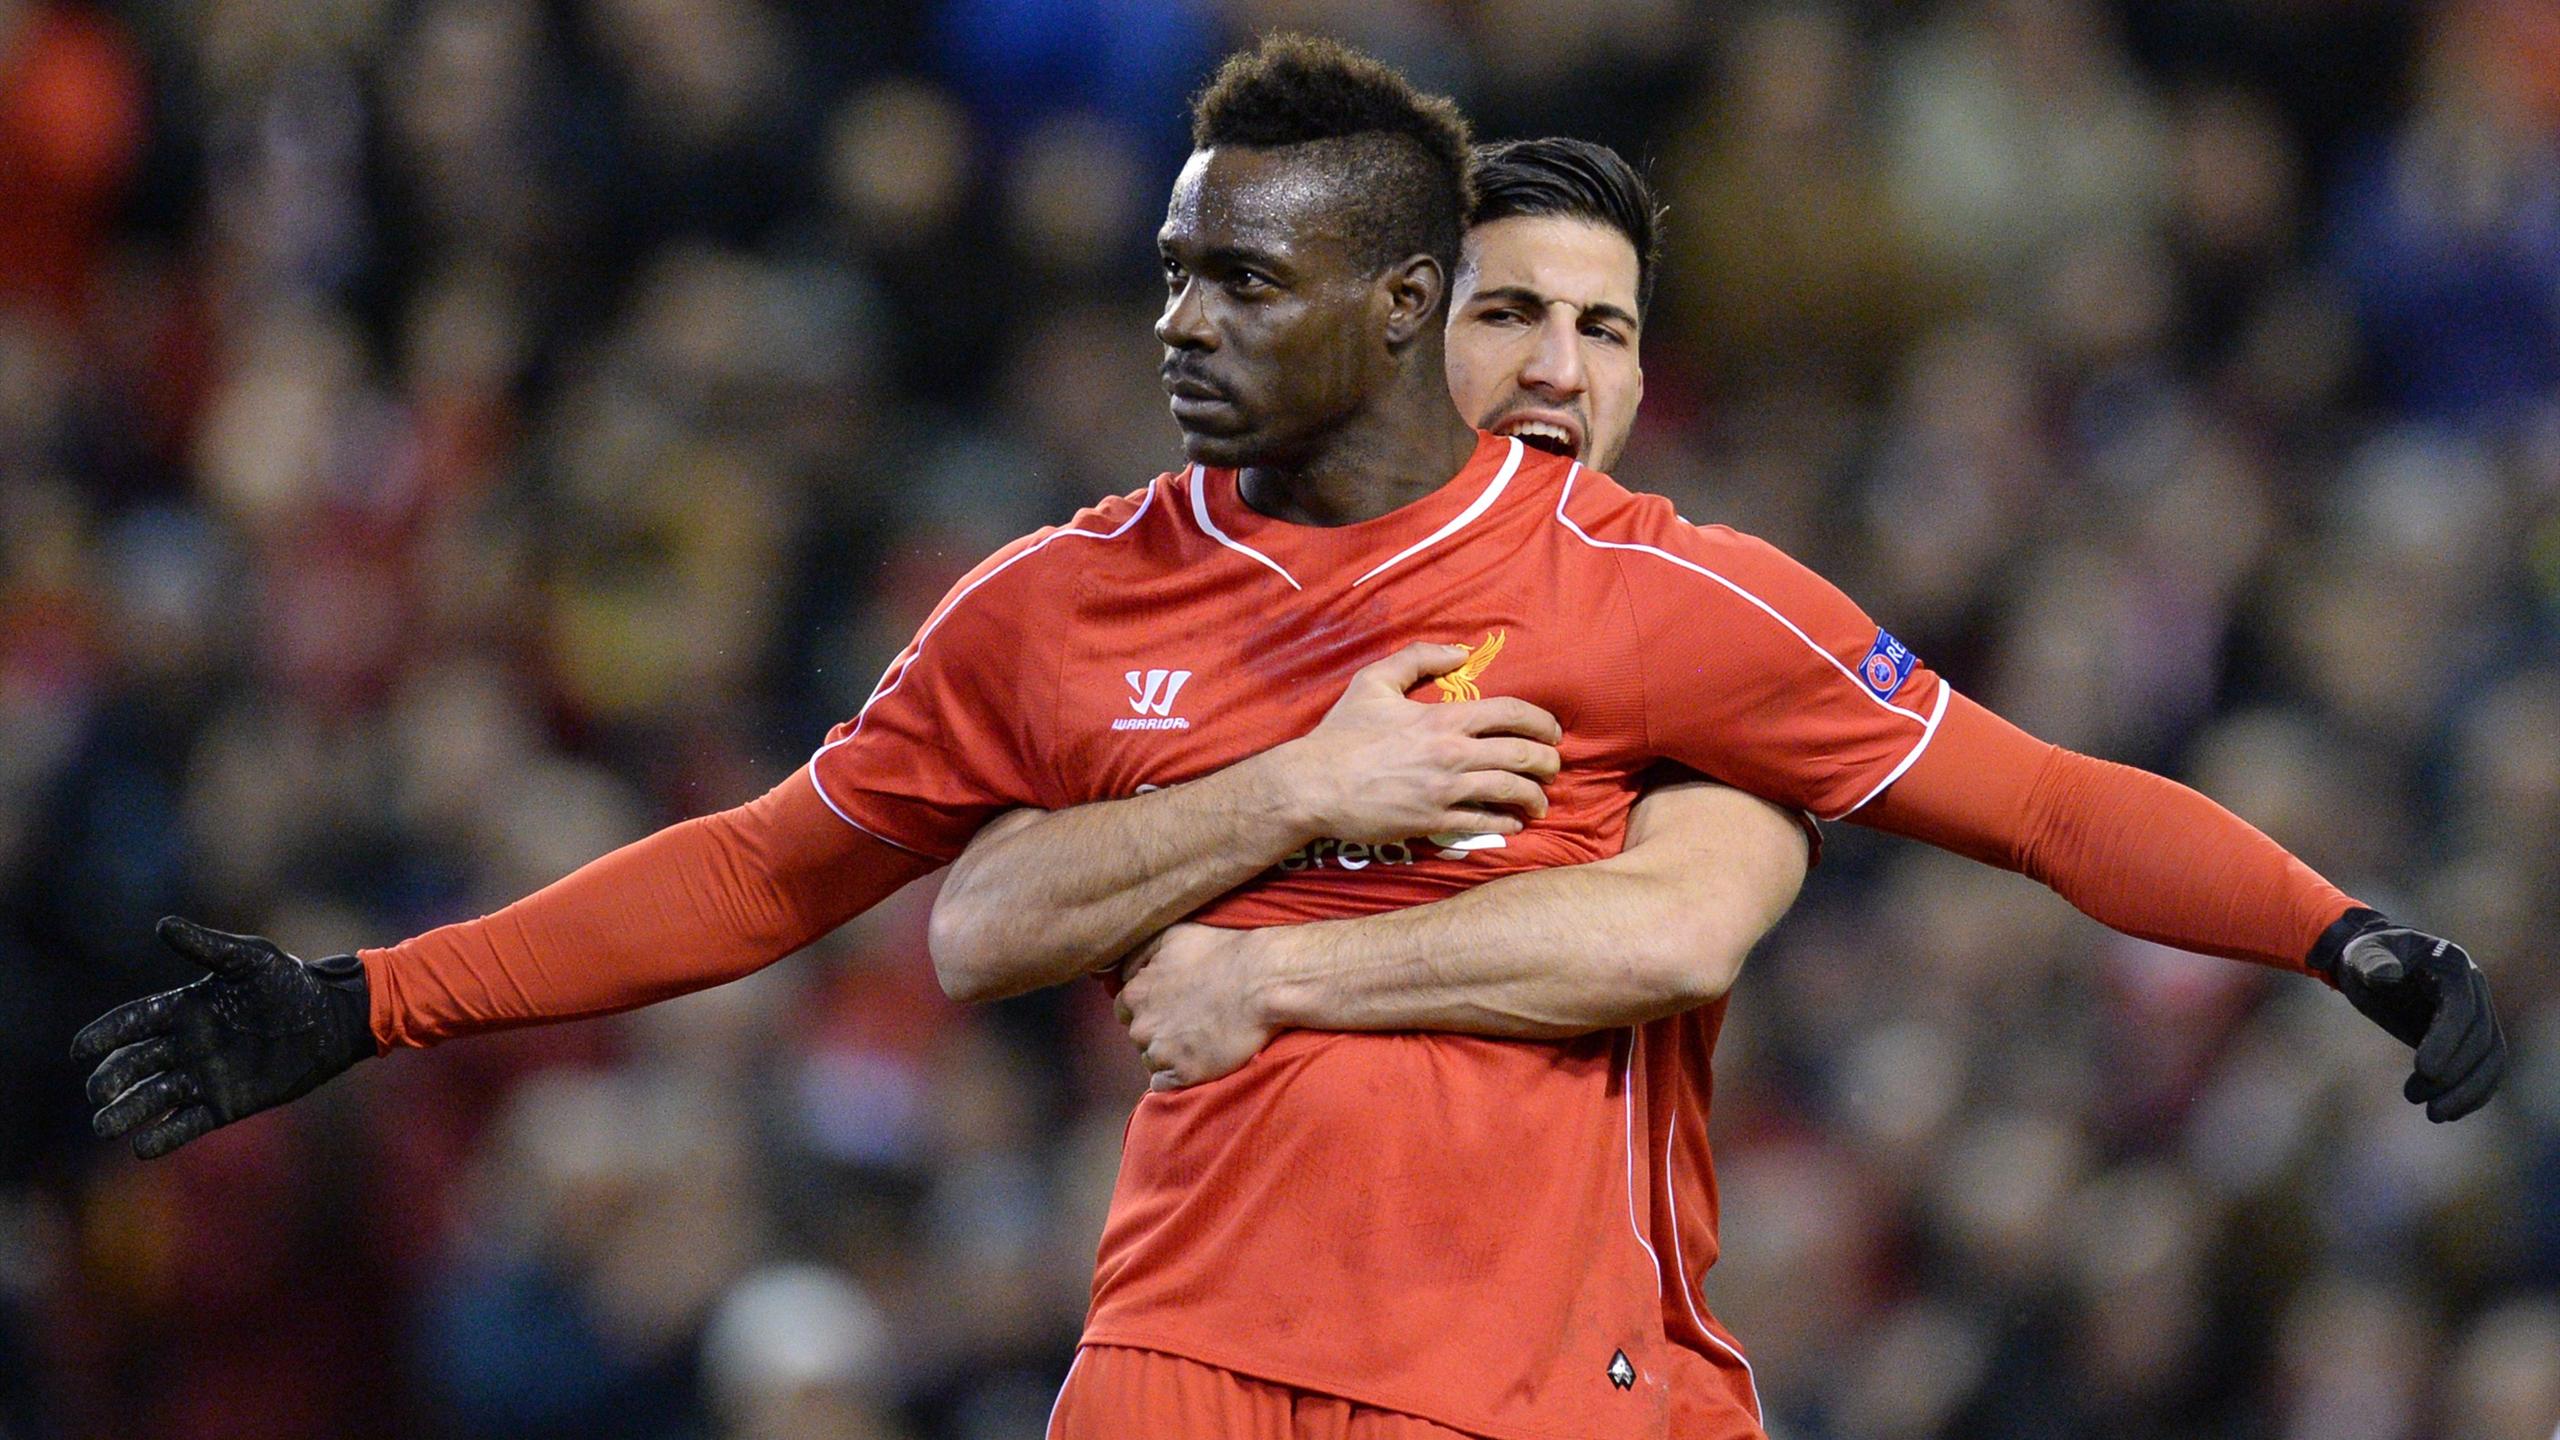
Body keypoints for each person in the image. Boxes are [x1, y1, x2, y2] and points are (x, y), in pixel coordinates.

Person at [70, 35, 2504, 1440]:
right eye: (1170, 266)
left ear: (1394, 305)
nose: (1182, 316)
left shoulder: (1654, 601)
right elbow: (765, 868)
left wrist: (2331, 927)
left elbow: (2038, 800)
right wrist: (367, 999)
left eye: (1240, 275)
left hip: (1559, 1385)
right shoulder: (1053, 603)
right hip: (1184, 1363)